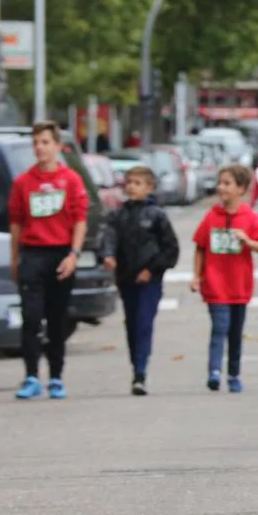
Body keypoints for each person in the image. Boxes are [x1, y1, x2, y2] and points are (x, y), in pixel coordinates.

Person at [9, 121, 90, 400]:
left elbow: (80, 219)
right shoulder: (23, 182)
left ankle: (56, 377)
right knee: (31, 318)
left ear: (57, 146)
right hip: (33, 254)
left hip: (61, 254)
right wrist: (15, 260)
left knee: (58, 319)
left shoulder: (71, 180)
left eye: (45, 142)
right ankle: (31, 376)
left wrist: (73, 255)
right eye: (36, 143)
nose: (40, 148)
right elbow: (16, 223)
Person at [191, 164, 258, 393]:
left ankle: (234, 374)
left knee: (236, 333)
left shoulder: (250, 217)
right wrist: (197, 276)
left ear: (241, 188)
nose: (221, 188)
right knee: (220, 327)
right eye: (220, 183)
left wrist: (248, 241)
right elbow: (200, 247)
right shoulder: (211, 217)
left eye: (227, 183)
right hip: (215, 285)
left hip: (239, 286)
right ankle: (214, 371)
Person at [99, 165, 180, 395]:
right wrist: (108, 255)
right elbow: (109, 238)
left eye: (137, 183)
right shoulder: (118, 214)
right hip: (126, 277)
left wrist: (152, 270)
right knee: (132, 323)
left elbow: (170, 249)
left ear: (149, 188)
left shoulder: (157, 216)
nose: (132, 187)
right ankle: (136, 365)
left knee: (144, 322)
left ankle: (141, 373)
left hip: (149, 280)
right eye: (129, 183)